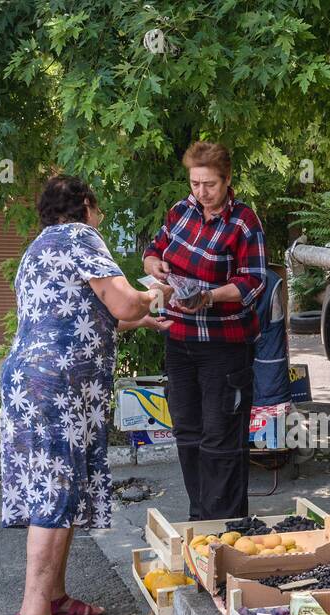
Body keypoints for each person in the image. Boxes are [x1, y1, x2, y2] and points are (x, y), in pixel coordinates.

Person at [0, 174, 173, 615]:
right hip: (57, 385)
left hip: (33, 381)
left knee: (63, 489)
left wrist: (141, 318)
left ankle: (52, 597)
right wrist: (155, 295)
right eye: (97, 207)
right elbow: (120, 299)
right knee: (56, 495)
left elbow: (96, 313)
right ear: (85, 205)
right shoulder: (81, 236)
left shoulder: (38, 249)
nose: (100, 215)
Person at [143, 141, 266, 521]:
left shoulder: (244, 222)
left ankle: (226, 528)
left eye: (209, 184)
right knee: (188, 435)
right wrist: (154, 266)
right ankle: (200, 522)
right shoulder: (180, 211)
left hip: (224, 347)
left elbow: (254, 282)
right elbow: (154, 248)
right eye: (195, 183)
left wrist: (209, 296)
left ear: (228, 180)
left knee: (221, 439)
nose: (201, 192)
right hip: (180, 343)